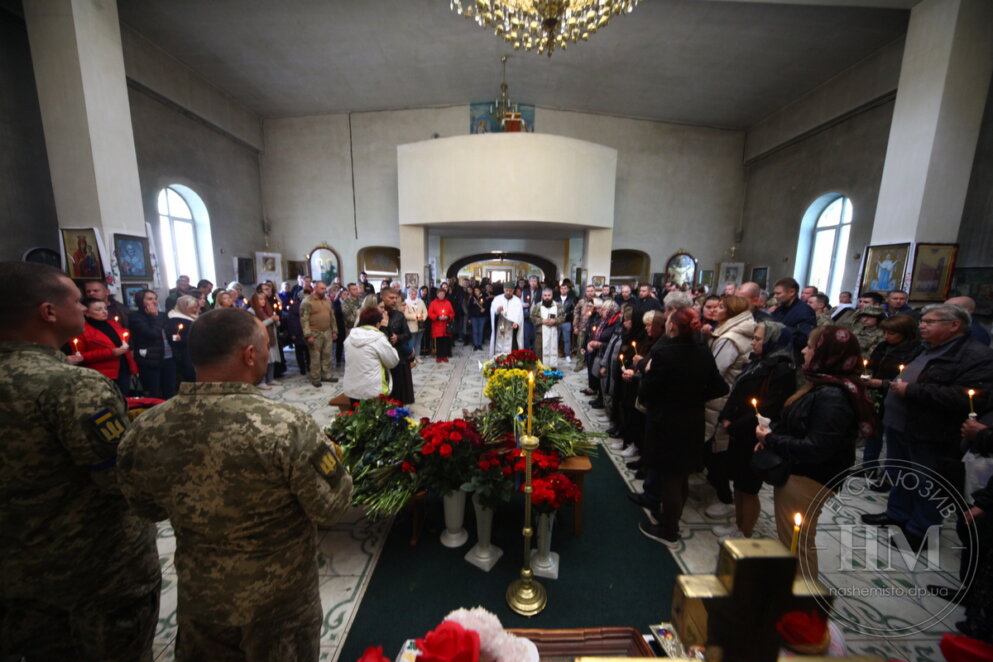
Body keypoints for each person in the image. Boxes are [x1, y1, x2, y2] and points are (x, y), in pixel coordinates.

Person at [117, 307, 353, 660]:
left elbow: (144, 507)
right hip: (277, 604)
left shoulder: (148, 427)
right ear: (250, 354)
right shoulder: (285, 425)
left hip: (203, 599)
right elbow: (331, 505)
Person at [0, 261, 160, 661]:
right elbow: (123, 480)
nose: (87, 308)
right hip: (92, 573)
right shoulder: (72, 387)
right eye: (77, 300)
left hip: (15, 572)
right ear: (48, 312)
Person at [861, 304, 993, 550]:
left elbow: (968, 397)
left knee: (926, 482)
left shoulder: (976, 356)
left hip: (932, 430)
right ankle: (897, 515)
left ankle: (920, 531)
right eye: (922, 321)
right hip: (901, 423)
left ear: (954, 325)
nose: (922, 325)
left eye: (930, 321)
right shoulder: (924, 348)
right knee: (899, 472)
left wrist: (912, 390)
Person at [756, 326, 878, 575]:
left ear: (827, 354)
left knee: (797, 544)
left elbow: (816, 448)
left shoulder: (833, 395)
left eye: (810, 347)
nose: (803, 350)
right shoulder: (822, 383)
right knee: (790, 539)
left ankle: (804, 602)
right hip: (800, 471)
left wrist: (771, 440)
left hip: (809, 478)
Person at [636, 307, 728, 548]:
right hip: (692, 421)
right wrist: (694, 397)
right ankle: (669, 516)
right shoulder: (702, 351)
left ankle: (669, 529)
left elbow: (647, 393)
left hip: (667, 423)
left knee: (670, 478)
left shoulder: (665, 353)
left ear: (672, 327)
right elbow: (720, 388)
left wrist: (646, 375)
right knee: (681, 475)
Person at [713, 320, 796, 540]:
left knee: (748, 486)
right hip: (740, 430)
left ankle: (744, 532)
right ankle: (738, 524)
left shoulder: (782, 369)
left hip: (755, 434)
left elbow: (770, 407)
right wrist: (727, 416)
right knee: (739, 482)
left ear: (772, 341)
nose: (753, 343)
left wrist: (736, 424)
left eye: (758, 339)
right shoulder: (759, 360)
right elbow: (739, 389)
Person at [702, 295, 757, 521]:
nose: (715, 310)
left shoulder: (730, 338)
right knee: (715, 447)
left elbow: (715, 371)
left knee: (717, 448)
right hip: (725, 396)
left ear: (731, 312)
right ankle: (718, 490)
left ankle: (725, 498)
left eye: (721, 307)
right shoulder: (730, 332)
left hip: (720, 398)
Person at [859, 314, 920, 487]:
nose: (886, 336)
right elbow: (872, 364)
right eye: (885, 332)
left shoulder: (914, 350)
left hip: (896, 396)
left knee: (893, 440)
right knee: (874, 430)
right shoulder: (884, 346)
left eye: (891, 333)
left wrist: (883, 383)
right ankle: (868, 466)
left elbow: (906, 376)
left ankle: (890, 476)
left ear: (905, 333)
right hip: (877, 392)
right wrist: (867, 374)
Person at [76, 296, 138, 397]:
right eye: (98, 309)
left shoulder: (113, 324)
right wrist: (110, 352)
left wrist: (133, 368)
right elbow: (80, 356)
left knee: (124, 399)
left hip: (123, 370)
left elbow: (124, 347)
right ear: (86, 312)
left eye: (105, 308)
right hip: (102, 374)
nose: (104, 312)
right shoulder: (82, 331)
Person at [343, 306, 400, 403]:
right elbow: (393, 361)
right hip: (372, 390)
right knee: (374, 417)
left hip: (352, 389)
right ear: (378, 323)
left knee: (356, 416)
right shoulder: (378, 339)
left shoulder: (349, 338)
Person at [130, 288, 177, 398]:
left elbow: (169, 333)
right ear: (141, 301)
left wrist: (175, 336)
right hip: (150, 359)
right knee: (153, 392)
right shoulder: (135, 317)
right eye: (150, 299)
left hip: (168, 357)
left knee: (170, 391)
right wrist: (153, 317)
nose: (155, 302)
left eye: (156, 299)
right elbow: (152, 334)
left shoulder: (162, 315)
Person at [300, 281, 337, 387]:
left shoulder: (327, 301)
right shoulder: (307, 301)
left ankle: (326, 375)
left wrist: (334, 331)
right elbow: (304, 320)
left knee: (327, 355)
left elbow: (332, 317)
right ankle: (316, 378)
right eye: (322, 288)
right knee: (315, 356)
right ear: (315, 288)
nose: (324, 290)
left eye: (325, 288)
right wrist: (308, 335)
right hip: (314, 333)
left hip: (327, 332)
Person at [381, 287, 414, 403]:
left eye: (395, 298)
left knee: (398, 383)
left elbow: (408, 334)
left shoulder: (399, 315)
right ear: (383, 297)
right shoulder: (377, 315)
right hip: (382, 353)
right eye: (391, 298)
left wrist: (398, 337)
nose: (394, 300)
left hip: (397, 353)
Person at [770, 277, 817, 356]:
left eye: (778, 293)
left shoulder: (805, 311)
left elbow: (803, 340)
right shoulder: (779, 309)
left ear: (792, 292)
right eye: (775, 293)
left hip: (791, 356)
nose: (775, 296)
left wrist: (779, 332)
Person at [248, 286, 282, 389]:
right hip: (260, 338)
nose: (263, 301)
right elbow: (257, 325)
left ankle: (270, 379)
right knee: (263, 360)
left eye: (264, 299)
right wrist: (271, 320)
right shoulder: (251, 311)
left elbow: (277, 324)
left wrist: (276, 320)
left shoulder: (267, 310)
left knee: (271, 359)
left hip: (270, 338)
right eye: (260, 299)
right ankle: (261, 381)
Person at [167, 294, 200, 385]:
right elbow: (174, 338)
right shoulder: (175, 319)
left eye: (196, 307)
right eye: (193, 307)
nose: (195, 310)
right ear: (184, 307)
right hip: (184, 354)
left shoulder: (191, 316)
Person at [531, 287, 565, 368]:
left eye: (549, 295)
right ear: (542, 296)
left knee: (552, 349)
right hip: (541, 333)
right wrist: (542, 321)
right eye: (545, 295)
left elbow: (563, 317)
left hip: (553, 332)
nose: (547, 297)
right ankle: (540, 368)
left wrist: (555, 321)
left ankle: (552, 367)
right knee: (539, 351)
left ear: (552, 296)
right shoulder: (538, 306)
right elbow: (532, 317)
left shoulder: (558, 306)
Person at [490, 286, 525, 356]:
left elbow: (519, 315)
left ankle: (510, 361)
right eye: (506, 290)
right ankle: (498, 359)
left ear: (513, 290)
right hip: (501, 324)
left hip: (511, 327)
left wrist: (517, 322)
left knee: (512, 346)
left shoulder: (517, 301)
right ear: (503, 289)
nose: (508, 292)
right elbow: (493, 311)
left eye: (510, 291)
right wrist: (497, 310)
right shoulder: (498, 299)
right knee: (500, 340)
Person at [428, 287, 455, 363]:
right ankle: (439, 356)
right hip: (437, 325)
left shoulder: (448, 303)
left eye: (443, 294)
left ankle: (444, 355)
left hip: (446, 325)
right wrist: (437, 317)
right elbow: (430, 313)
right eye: (440, 294)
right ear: (437, 294)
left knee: (445, 341)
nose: (441, 295)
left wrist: (448, 317)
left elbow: (452, 313)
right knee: (439, 342)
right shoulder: (433, 303)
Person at [403, 286, 428, 360]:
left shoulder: (420, 301)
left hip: (420, 325)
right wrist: (415, 316)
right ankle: (412, 358)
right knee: (412, 342)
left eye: (415, 294)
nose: (413, 296)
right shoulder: (406, 303)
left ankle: (417, 356)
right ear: (409, 294)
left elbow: (425, 312)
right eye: (412, 294)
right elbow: (405, 314)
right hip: (411, 325)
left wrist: (422, 318)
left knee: (418, 342)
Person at [555, 283, 577, 362]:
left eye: (565, 288)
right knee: (556, 338)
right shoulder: (556, 298)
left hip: (567, 321)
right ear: (560, 289)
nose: (563, 290)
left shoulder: (571, 299)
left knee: (567, 339)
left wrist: (568, 314)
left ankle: (567, 354)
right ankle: (555, 353)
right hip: (557, 321)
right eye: (562, 288)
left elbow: (574, 310)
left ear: (567, 289)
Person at [521, 275, 541, 350]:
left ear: (537, 282)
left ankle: (533, 350)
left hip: (535, 316)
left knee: (534, 335)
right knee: (526, 334)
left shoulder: (540, 291)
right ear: (529, 282)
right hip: (526, 316)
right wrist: (524, 304)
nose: (533, 283)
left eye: (535, 281)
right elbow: (521, 302)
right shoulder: (525, 291)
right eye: (531, 281)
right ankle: (526, 350)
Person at [467, 286, 488, 351]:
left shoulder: (483, 298)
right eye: (475, 291)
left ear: (480, 291)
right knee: (475, 331)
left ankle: (479, 344)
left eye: (477, 290)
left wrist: (484, 309)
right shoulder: (472, 299)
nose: (476, 292)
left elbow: (487, 306)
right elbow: (469, 309)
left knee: (480, 331)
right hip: (474, 317)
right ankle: (475, 344)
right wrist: (469, 318)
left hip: (482, 317)